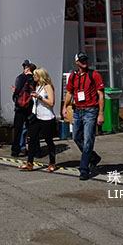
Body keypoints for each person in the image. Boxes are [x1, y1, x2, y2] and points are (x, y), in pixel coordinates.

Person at [62, 53, 105, 181]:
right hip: (77, 111)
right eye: (81, 60)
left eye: (85, 59)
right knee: (76, 137)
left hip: (91, 111)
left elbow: (101, 95)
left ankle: (84, 169)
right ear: (77, 62)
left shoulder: (94, 75)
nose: (84, 62)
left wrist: (101, 113)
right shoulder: (73, 76)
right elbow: (69, 92)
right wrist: (65, 106)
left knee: (88, 140)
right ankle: (93, 157)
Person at [20, 68, 57, 172]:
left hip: (47, 117)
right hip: (36, 116)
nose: (34, 77)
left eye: (35, 75)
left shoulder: (48, 86)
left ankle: (52, 162)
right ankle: (29, 163)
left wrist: (39, 97)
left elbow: (51, 103)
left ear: (40, 76)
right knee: (32, 139)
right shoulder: (37, 86)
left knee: (48, 140)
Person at [10, 60, 36, 157]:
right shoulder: (33, 78)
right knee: (31, 128)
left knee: (18, 129)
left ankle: (15, 150)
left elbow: (16, 93)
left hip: (19, 107)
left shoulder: (20, 77)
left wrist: (15, 97)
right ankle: (33, 150)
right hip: (29, 107)